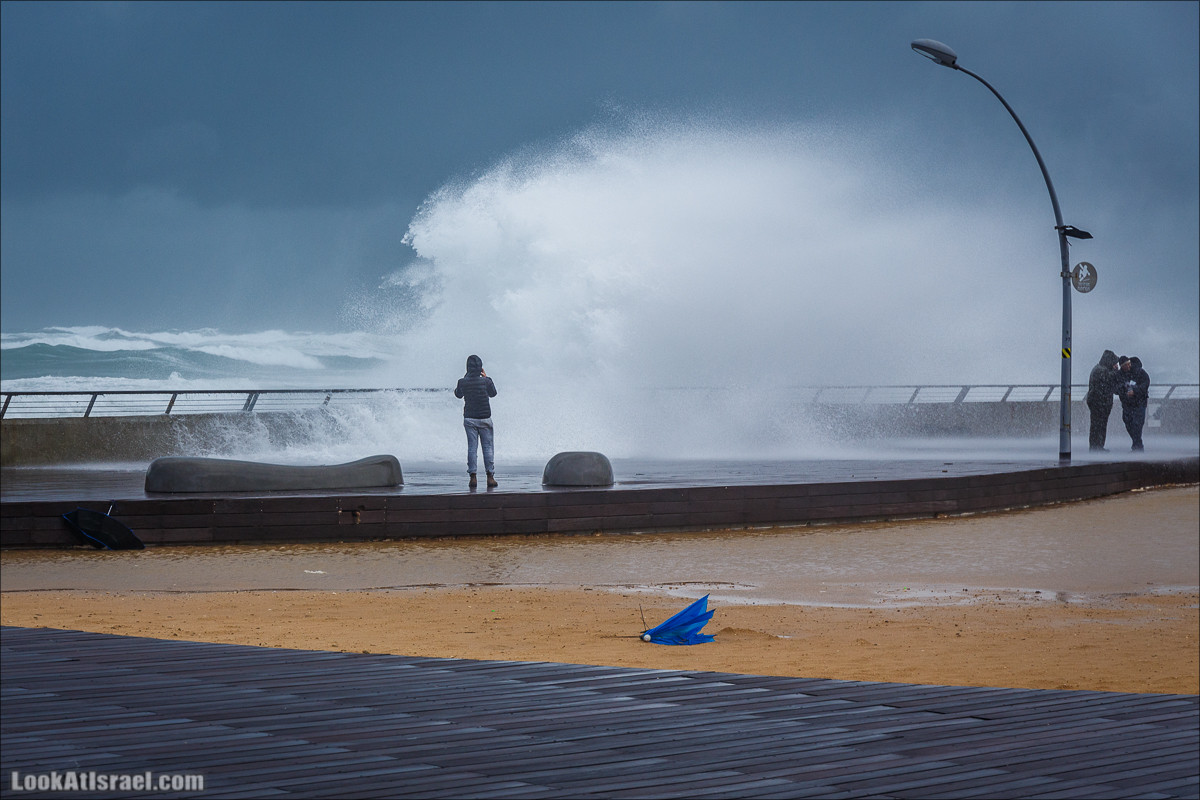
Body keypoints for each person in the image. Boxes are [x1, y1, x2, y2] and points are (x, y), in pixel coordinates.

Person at [454, 354, 498, 488]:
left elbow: (458, 394)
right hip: (485, 418)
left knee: (472, 448)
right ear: (480, 367)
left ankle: (473, 477)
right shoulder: (486, 381)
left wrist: (466, 377)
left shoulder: (463, 381)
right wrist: (486, 377)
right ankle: (490, 477)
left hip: (469, 419)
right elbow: (493, 393)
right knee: (488, 448)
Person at [1085, 349, 1122, 452]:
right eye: (1114, 363)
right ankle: (1096, 448)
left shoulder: (1098, 369)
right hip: (1099, 403)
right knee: (1098, 426)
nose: (1116, 365)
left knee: (1098, 426)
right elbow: (1110, 380)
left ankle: (1097, 447)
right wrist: (1117, 371)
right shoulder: (1101, 370)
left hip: (1100, 403)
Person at [1119, 356, 1151, 451]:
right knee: (1128, 422)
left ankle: (1137, 446)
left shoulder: (1140, 372)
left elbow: (1145, 384)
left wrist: (1135, 391)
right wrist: (1124, 390)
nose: (1128, 367)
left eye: (1129, 364)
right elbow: (1117, 385)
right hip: (1127, 403)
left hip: (1139, 403)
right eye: (1125, 365)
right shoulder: (1121, 374)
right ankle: (1137, 444)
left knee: (1137, 424)